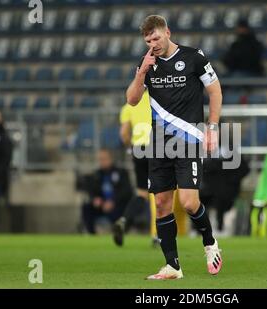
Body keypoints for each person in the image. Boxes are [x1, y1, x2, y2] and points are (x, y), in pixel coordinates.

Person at [126, 15, 223, 280]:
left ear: (167, 32)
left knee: (189, 202)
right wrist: (142, 73)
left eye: (156, 38)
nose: (153, 44)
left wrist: (212, 127)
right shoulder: (147, 64)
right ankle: (173, 266)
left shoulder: (195, 58)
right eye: (148, 40)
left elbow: (215, 91)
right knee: (162, 203)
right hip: (159, 144)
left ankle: (210, 242)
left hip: (189, 138)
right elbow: (132, 100)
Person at [117, 90, 188, 247]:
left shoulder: (129, 104)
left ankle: (125, 219)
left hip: (138, 149)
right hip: (157, 145)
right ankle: (158, 234)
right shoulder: (160, 96)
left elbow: (123, 133)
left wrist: (130, 147)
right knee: (161, 191)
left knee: (142, 192)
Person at [81, 149, 133, 235]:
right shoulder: (97, 174)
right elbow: (92, 191)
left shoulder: (121, 172)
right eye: (100, 159)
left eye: (104, 159)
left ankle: (119, 232)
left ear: (111, 159)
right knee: (86, 207)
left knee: (122, 211)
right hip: (102, 205)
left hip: (117, 205)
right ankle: (92, 234)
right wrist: (95, 199)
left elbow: (127, 191)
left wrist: (113, 201)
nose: (102, 161)